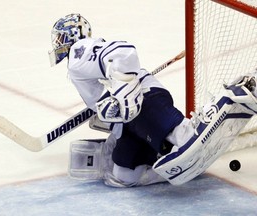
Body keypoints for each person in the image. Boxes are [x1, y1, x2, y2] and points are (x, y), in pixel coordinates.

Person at [49, 13, 257, 187]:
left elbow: (124, 53)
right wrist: (112, 121)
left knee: (184, 137)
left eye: (59, 38)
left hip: (145, 98)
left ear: (72, 34)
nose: (57, 44)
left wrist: (124, 92)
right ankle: (161, 151)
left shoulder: (79, 53)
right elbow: (104, 102)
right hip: (131, 120)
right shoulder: (77, 69)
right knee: (122, 177)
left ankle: (236, 93)